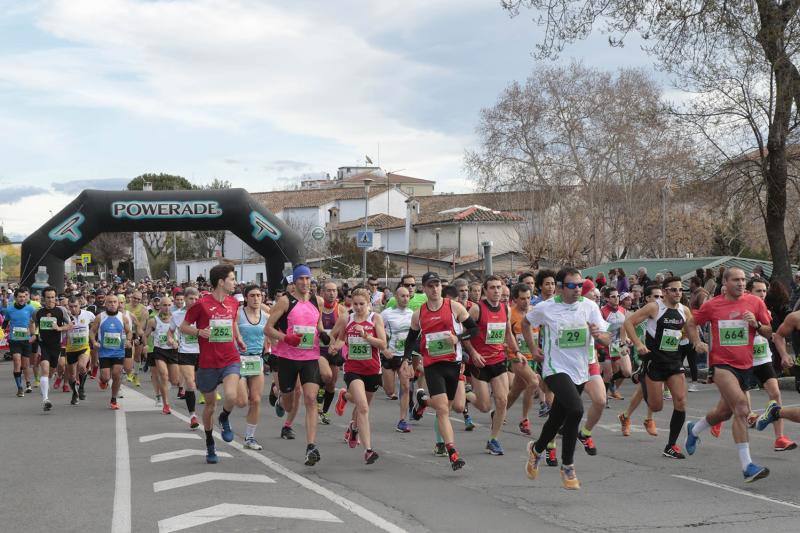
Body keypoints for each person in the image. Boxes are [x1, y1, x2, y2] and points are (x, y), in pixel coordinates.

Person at [522, 268, 610, 490]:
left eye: (580, 285)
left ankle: (537, 449)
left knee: (557, 419)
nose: (577, 290)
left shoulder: (589, 307)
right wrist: (533, 348)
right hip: (555, 368)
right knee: (576, 410)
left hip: (579, 370)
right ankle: (568, 465)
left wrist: (600, 336)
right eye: (572, 286)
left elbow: (607, 338)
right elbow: (525, 323)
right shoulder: (546, 307)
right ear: (561, 286)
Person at [684, 267, 773, 482]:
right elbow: (691, 322)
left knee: (724, 413)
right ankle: (747, 466)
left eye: (743, 280)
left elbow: (769, 331)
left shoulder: (755, 302)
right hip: (722, 365)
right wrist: (696, 342)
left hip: (745, 365)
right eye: (736, 280)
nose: (741, 283)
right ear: (725, 282)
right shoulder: (713, 305)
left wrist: (757, 324)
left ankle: (694, 430)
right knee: (742, 408)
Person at [403, 271, 477, 471]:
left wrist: (458, 338)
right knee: (443, 409)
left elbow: (474, 329)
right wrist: (406, 360)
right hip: (433, 365)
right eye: (430, 285)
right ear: (424, 288)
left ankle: (423, 401)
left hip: (453, 364)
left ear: (441, 287)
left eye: (437, 285)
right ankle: (452, 451)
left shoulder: (454, 307)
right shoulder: (419, 313)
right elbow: (411, 339)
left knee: (451, 406)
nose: (435, 288)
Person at [181, 264, 248, 464]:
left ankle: (225, 417)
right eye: (232, 279)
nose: (235, 283)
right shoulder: (201, 304)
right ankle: (210, 442)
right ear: (221, 282)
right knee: (210, 405)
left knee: (231, 395)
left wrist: (239, 338)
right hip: (208, 363)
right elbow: (184, 326)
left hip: (230, 358)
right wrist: (199, 332)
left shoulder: (233, 303)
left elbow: (233, 322)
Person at [266, 264, 330, 466]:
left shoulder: (317, 301)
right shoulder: (285, 302)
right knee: (289, 404)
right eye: (300, 279)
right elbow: (267, 329)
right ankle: (280, 399)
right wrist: (287, 338)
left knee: (310, 399)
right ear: (294, 282)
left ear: (311, 281)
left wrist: (324, 334)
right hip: (287, 358)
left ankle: (311, 446)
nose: (304, 283)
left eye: (307, 279)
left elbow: (317, 326)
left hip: (310, 357)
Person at [623, 276, 693, 459]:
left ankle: (671, 445)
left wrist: (697, 341)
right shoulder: (655, 307)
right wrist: (638, 344)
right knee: (657, 406)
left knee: (681, 401)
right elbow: (628, 323)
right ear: (665, 291)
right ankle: (643, 375)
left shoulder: (684, 310)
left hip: (674, 361)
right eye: (674, 290)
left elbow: (691, 328)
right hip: (655, 362)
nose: (678, 293)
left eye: (681, 290)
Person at [463, 275, 524, 456]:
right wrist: (473, 353)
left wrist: (517, 351)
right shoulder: (476, 310)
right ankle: (468, 395)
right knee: (484, 406)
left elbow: (507, 333)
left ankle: (493, 439)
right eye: (492, 288)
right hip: (480, 362)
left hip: (498, 359)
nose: (496, 291)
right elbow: (464, 335)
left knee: (502, 400)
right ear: (485, 290)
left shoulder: (505, 309)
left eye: (499, 287)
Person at [331, 288, 387, 464]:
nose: (358, 307)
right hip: (353, 369)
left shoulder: (375, 318)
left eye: (362, 304)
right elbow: (340, 338)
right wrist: (336, 347)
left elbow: (383, 344)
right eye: (355, 304)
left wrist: (366, 337)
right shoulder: (347, 319)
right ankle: (368, 451)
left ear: (368, 303)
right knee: (363, 407)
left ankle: (353, 426)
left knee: (364, 404)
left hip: (372, 369)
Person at [236, 285, 269, 450]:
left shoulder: (266, 316)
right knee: (241, 402)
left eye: (259, 295)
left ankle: (250, 437)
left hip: (256, 360)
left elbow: (272, 334)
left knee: (255, 400)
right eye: (252, 295)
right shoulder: (238, 315)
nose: (256, 298)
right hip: (238, 359)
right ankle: (224, 414)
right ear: (246, 298)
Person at [381, 285, 415, 433]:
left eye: (407, 296)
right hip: (390, 355)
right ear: (395, 297)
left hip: (404, 356)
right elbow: (377, 331)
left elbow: (415, 336)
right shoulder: (386, 314)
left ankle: (402, 420)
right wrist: (384, 348)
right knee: (389, 391)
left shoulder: (412, 314)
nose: (406, 298)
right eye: (402, 296)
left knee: (406, 387)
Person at [90, 294, 132, 410]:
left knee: (117, 374)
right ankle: (103, 380)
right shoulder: (100, 317)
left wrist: (128, 340)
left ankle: (113, 399)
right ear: (106, 304)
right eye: (110, 302)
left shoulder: (123, 317)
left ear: (118, 304)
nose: (112, 304)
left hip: (118, 351)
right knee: (106, 376)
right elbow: (92, 331)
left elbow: (129, 332)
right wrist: (94, 342)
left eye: (114, 302)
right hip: (104, 352)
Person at [169, 287, 201, 429]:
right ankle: (193, 416)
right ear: (185, 299)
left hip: (203, 352)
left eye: (196, 298)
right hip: (185, 352)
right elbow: (170, 332)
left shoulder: (204, 313)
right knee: (190, 383)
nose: (194, 301)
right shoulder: (176, 315)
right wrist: (172, 340)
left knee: (202, 384)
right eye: (190, 299)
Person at [33, 287, 69, 411]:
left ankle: (47, 383)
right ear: (44, 299)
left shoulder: (61, 311)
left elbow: (70, 325)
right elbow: (33, 323)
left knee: (51, 371)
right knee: (45, 368)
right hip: (43, 345)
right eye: (48, 297)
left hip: (56, 346)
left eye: (53, 297)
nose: (51, 300)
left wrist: (59, 328)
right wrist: (34, 334)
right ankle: (45, 399)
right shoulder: (38, 312)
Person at [145, 296, 179, 415]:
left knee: (175, 381)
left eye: (169, 305)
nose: (167, 308)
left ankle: (167, 386)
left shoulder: (176, 318)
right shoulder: (153, 320)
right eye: (164, 305)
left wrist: (176, 343)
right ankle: (166, 404)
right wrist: (143, 343)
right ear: (160, 306)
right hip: (159, 350)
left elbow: (182, 334)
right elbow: (146, 334)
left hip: (172, 352)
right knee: (163, 375)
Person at [317, 280, 345, 425]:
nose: (332, 293)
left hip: (333, 350)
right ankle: (319, 392)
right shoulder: (316, 308)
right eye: (328, 290)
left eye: (334, 290)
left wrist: (338, 346)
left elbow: (344, 332)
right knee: (325, 375)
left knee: (332, 383)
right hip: (318, 349)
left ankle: (324, 411)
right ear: (322, 292)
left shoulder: (341, 310)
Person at [3, 287, 37, 397]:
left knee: (26, 365)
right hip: (14, 340)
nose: (22, 299)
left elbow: (36, 322)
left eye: (24, 296)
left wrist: (34, 335)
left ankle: (27, 383)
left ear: (26, 297)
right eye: (20, 297)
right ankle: (19, 388)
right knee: (17, 361)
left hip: (26, 340)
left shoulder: (30, 309)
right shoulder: (9, 309)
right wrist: (2, 332)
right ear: (15, 298)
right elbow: (5, 322)